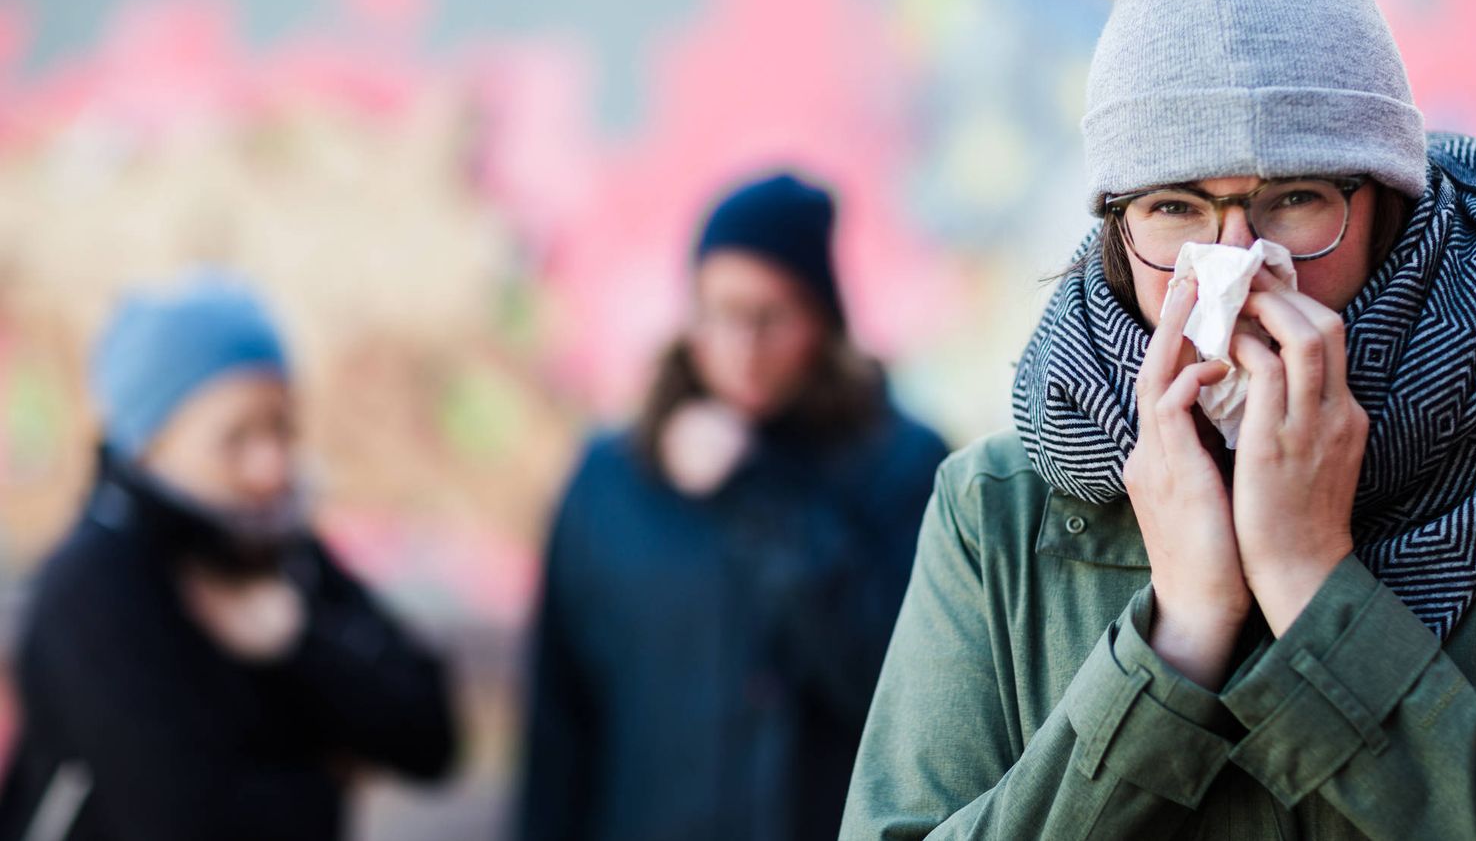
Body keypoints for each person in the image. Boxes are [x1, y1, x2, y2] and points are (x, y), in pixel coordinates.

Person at [840, 0, 1476, 838]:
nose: (1236, 267)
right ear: (1119, 231)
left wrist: (1311, 582)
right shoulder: (997, 511)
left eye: (1295, 199)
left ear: (1390, 210)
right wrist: (1176, 640)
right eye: (1175, 207)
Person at [515, 173, 948, 841]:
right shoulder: (612, 481)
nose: (743, 346)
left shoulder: (900, 466)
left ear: (823, 322)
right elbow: (559, 722)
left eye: (771, 318)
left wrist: (757, 491)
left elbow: (906, 691)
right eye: (720, 312)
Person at [0, 273, 457, 841]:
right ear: (150, 445)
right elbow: (189, 821)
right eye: (235, 438)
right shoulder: (94, 589)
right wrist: (327, 774)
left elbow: (430, 735)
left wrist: (297, 647)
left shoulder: (282, 553)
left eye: (282, 429)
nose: (270, 466)